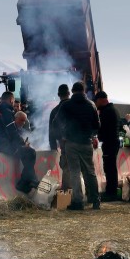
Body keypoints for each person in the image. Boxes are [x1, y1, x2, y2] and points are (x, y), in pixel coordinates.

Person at [54, 82, 100, 210]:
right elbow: (97, 125)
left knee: (74, 172)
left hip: (71, 143)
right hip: (86, 143)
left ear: (72, 91)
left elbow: (55, 122)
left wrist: (61, 136)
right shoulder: (91, 105)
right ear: (84, 91)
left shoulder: (66, 105)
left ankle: (78, 201)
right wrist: (92, 135)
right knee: (90, 172)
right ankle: (95, 200)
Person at [94, 91, 121, 201]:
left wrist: (97, 136)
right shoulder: (113, 109)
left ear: (100, 100)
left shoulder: (107, 111)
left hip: (110, 143)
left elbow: (103, 129)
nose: (96, 104)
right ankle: (111, 191)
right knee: (111, 167)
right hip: (113, 142)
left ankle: (111, 192)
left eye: (96, 101)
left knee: (109, 168)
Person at [7, 111, 39, 194]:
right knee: (31, 152)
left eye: (24, 121)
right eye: (21, 120)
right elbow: (16, 138)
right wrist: (24, 144)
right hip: (10, 149)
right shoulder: (10, 127)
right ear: (16, 119)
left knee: (31, 153)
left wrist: (25, 143)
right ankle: (29, 179)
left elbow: (21, 139)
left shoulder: (19, 128)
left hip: (18, 148)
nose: (23, 123)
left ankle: (26, 180)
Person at [49, 84, 71, 190]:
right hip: (81, 141)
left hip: (65, 144)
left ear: (58, 95)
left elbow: (51, 130)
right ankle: (88, 195)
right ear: (69, 93)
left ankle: (66, 193)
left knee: (66, 168)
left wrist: (53, 146)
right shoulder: (77, 106)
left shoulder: (55, 111)